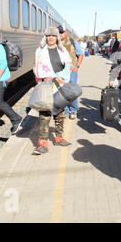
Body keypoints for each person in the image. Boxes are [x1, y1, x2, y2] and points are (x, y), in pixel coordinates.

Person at [33, 26, 73, 155]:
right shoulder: (40, 51)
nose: (51, 38)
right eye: (48, 35)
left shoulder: (62, 51)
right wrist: (43, 78)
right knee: (44, 114)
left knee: (60, 113)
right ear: (45, 37)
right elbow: (36, 67)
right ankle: (42, 142)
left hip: (59, 85)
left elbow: (68, 67)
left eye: (53, 35)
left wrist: (56, 76)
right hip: (45, 85)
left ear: (57, 37)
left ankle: (58, 137)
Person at [58, 25, 84, 120]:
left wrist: (77, 66)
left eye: (62, 32)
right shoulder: (56, 43)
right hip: (60, 72)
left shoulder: (72, 42)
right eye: (59, 32)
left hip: (71, 71)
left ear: (65, 33)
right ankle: (65, 110)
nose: (60, 34)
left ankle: (73, 110)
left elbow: (80, 54)